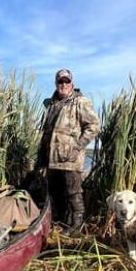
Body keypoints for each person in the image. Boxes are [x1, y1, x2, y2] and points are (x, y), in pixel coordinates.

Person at [36, 68, 100, 235]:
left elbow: (93, 127)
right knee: (55, 192)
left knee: (73, 193)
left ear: (72, 83)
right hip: (51, 158)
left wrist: (77, 147)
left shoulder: (80, 102)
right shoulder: (50, 104)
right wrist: (41, 158)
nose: (63, 84)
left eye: (66, 81)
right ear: (56, 83)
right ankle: (60, 223)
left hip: (70, 158)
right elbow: (45, 132)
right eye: (60, 81)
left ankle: (76, 227)